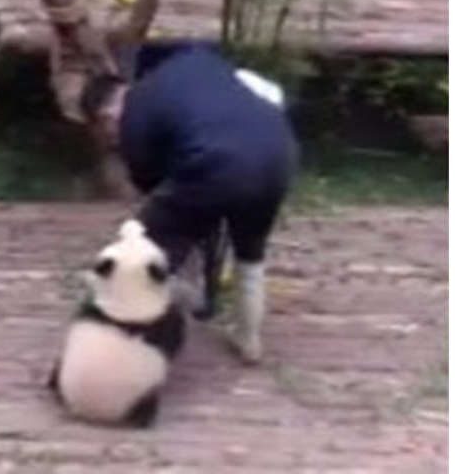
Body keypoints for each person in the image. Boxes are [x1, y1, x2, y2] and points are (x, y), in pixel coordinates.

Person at [82, 41, 298, 363]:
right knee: (250, 258)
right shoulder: (195, 61)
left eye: (105, 130)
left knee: (142, 247)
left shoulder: (135, 113)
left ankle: (128, 342)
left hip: (217, 163)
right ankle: (248, 341)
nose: (112, 138)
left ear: (106, 114)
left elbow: (154, 189)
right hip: (280, 153)